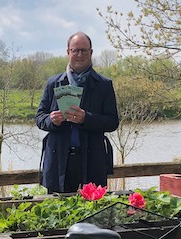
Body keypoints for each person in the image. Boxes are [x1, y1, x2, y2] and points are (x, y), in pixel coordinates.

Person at [36, 31, 119, 193]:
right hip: (59, 159)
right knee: (59, 214)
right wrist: (51, 120)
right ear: (68, 53)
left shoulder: (104, 85)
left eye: (84, 50)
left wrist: (85, 118)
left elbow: (112, 121)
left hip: (91, 159)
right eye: (75, 50)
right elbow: (40, 117)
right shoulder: (53, 83)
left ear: (91, 52)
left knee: (92, 214)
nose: (79, 55)